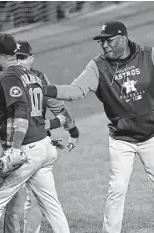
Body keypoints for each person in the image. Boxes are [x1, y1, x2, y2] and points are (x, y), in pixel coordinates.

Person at [44, 21, 154, 233]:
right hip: (122, 139)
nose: (104, 45)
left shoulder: (148, 56)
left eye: (109, 40)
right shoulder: (98, 66)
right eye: (101, 41)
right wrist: (46, 89)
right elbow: (76, 90)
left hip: (152, 136)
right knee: (117, 189)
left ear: (123, 38)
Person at [0, 40, 79, 233]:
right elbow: (26, 101)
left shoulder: (7, 75)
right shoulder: (31, 75)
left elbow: (21, 109)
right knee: (52, 207)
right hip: (44, 147)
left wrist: (15, 148)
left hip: (27, 149)